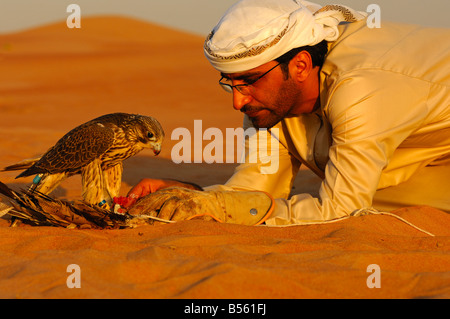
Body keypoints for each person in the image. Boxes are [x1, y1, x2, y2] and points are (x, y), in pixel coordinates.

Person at [124, 0, 450, 225]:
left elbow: (341, 211)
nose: (238, 103)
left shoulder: (361, 89)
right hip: (420, 155)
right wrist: (191, 197)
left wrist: (221, 209)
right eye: (231, 84)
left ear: (300, 66)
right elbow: (255, 193)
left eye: (249, 82)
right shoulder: (270, 103)